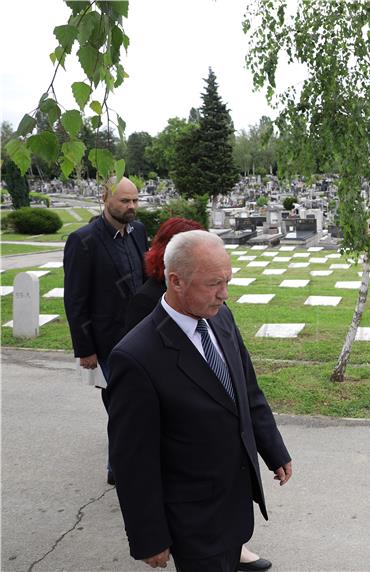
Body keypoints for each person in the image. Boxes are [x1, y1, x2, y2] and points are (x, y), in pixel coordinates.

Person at [108, 230, 292, 571]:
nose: (224, 294)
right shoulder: (136, 357)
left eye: (227, 281)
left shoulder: (220, 317)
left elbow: (246, 389)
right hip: (192, 518)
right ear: (175, 281)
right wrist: (149, 536)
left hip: (233, 502)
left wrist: (273, 448)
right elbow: (133, 461)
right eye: (213, 284)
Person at [63, 176, 147, 485]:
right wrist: (84, 348)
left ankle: (138, 456)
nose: (131, 207)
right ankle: (119, 467)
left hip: (143, 336)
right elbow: (75, 298)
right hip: (109, 341)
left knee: (139, 404)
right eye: (125, 201)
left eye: (135, 200)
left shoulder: (138, 231)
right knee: (121, 406)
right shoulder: (83, 240)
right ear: (105, 198)